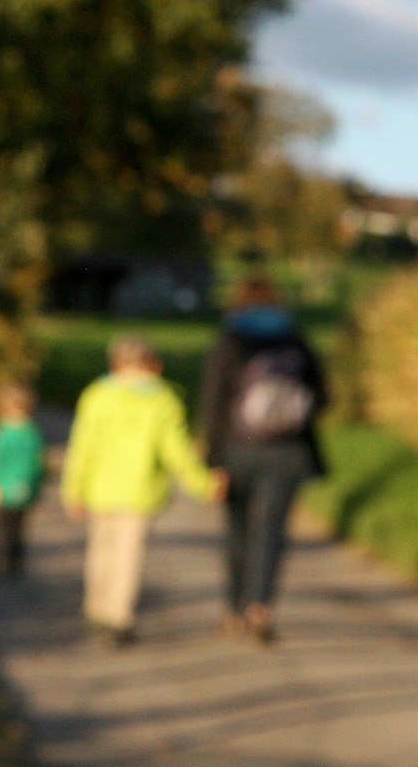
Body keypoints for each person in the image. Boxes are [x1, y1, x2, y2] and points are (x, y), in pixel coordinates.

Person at [62, 335, 224, 646]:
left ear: (115, 363)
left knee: (100, 550)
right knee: (128, 554)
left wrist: (73, 490)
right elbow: (177, 451)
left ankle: (97, 609)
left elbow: (81, 448)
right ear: (150, 363)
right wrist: (204, 484)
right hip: (139, 491)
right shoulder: (162, 400)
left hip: (100, 489)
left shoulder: (96, 396)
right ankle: (119, 617)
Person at [199, 275, 327, 645]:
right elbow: (321, 394)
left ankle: (233, 609)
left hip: (238, 449)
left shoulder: (230, 340)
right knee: (271, 531)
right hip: (287, 451)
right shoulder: (296, 339)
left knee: (237, 530)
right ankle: (260, 608)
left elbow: (214, 402)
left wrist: (213, 457)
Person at [0, 383, 46, 577]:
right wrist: (36, 490)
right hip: (20, 491)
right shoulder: (32, 433)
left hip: (4, 491)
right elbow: (38, 466)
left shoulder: (2, 433)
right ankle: (12, 563)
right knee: (16, 529)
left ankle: (1, 564)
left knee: (2, 529)